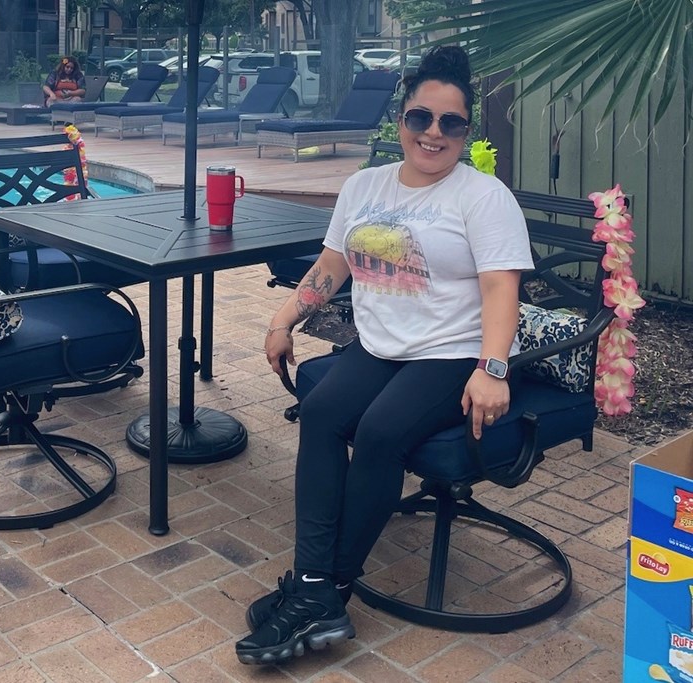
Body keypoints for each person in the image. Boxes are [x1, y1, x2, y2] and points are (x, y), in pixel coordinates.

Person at [235, 45, 535, 666]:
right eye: (421, 118)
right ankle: (315, 583)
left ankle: (328, 589)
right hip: (380, 348)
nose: (434, 134)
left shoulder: (482, 198)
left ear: (466, 130)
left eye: (451, 123)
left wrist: (493, 368)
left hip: (450, 355)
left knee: (377, 433)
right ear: (400, 119)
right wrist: (285, 318)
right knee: (320, 414)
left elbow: (502, 288)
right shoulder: (364, 185)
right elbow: (332, 266)